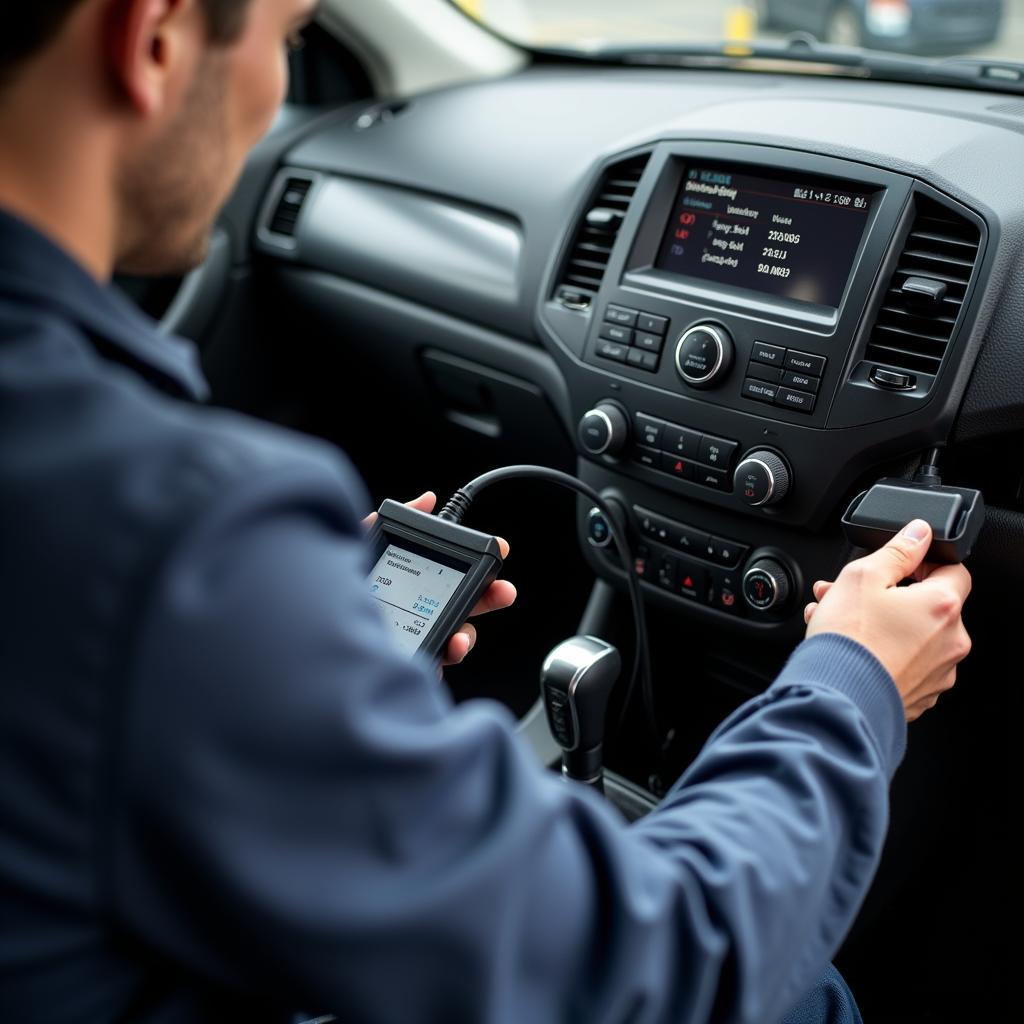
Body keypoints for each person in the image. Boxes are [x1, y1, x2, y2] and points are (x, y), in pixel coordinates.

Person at [0, 2, 973, 1022]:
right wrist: (851, 679)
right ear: (152, 38)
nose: (276, 92)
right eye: (286, 43)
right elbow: (673, 960)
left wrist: (294, 650)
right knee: (803, 995)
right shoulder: (180, 538)